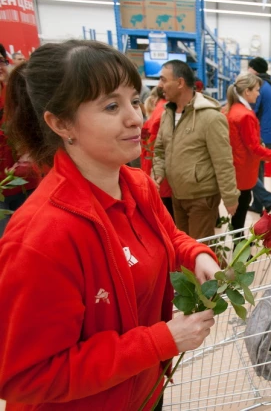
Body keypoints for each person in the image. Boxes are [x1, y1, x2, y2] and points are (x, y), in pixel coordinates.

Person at [0, 40, 220, 410]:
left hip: (144, 390)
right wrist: (160, 341)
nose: (135, 117)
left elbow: (169, 236)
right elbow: (25, 377)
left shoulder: (137, 185)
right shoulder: (42, 237)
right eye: (111, 106)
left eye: (134, 100)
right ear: (60, 123)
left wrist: (196, 255)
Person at [154, 60, 239, 239]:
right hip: (178, 194)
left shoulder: (211, 118)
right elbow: (160, 149)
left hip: (202, 197)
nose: (159, 85)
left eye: (163, 79)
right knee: (183, 245)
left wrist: (230, 197)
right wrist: (158, 173)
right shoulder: (167, 114)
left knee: (199, 248)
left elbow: (223, 161)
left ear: (180, 82)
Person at [225, 73, 271, 231]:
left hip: (237, 169)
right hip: (244, 172)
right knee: (240, 214)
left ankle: (239, 245)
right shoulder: (246, 115)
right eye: (256, 90)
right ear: (247, 91)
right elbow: (255, 150)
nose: (258, 93)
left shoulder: (233, 109)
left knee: (238, 215)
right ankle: (240, 251)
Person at [0, 45, 40, 238]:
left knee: (30, 233)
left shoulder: (16, 92)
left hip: (27, 180)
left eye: (1, 60)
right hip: (4, 185)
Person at [247, 56, 271, 214]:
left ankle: (266, 199)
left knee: (249, 170)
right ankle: (258, 204)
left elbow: (253, 110)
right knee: (258, 170)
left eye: (249, 68)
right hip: (268, 133)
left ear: (254, 69)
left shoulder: (259, 85)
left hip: (258, 134)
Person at [141, 87, 174, 219]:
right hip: (163, 173)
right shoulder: (165, 112)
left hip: (154, 167)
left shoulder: (158, 112)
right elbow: (160, 148)